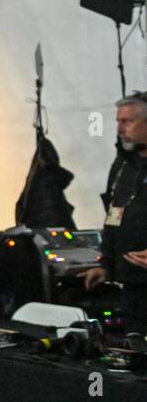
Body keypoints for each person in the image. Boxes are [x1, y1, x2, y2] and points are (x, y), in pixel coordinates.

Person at [82, 93, 147, 331]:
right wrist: (105, 264)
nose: (119, 129)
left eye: (127, 121)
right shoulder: (123, 165)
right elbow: (113, 215)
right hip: (131, 283)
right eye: (118, 121)